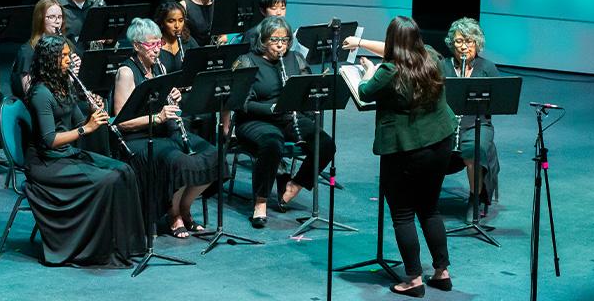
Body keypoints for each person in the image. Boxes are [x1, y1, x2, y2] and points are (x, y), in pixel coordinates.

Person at [24, 35, 145, 268]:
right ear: (50, 60)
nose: (70, 60)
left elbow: (79, 120)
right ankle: (97, 249)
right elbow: (50, 140)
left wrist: (93, 112)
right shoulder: (41, 93)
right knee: (108, 180)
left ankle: (125, 245)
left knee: (124, 170)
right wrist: (86, 128)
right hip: (46, 163)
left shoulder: (64, 84)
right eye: (65, 56)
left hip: (65, 155)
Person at [357, 16, 455, 297]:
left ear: (392, 41)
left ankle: (413, 278)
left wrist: (368, 71)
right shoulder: (432, 57)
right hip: (440, 142)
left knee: (403, 214)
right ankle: (441, 271)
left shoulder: (389, 71)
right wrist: (362, 44)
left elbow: (365, 92)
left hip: (407, 148)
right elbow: (398, 51)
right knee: (430, 208)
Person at [113, 18, 222, 238]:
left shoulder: (160, 66)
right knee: (180, 162)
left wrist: (175, 96)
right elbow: (121, 123)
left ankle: (184, 207)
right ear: (136, 45)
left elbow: (166, 102)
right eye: (150, 45)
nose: (156, 50)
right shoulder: (126, 72)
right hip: (140, 137)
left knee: (213, 155)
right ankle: (173, 214)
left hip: (165, 132)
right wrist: (157, 118)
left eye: (158, 43)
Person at [233, 16, 336, 228]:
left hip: (289, 117)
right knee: (272, 143)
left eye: (285, 39)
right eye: (274, 39)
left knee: (325, 144)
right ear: (262, 40)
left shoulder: (295, 59)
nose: (280, 44)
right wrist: (270, 108)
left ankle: (295, 185)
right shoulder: (247, 61)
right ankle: (260, 202)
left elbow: (306, 92)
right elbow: (241, 103)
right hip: (256, 119)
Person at [10, 0, 110, 156]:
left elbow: (77, 80)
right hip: (47, 106)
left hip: (67, 97)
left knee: (99, 113)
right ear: (40, 19)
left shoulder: (67, 44)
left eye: (59, 17)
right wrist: (67, 79)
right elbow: (30, 91)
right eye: (51, 17)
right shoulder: (28, 50)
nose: (57, 22)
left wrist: (78, 72)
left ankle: (101, 157)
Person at [444, 17, 501, 221]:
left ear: (477, 43)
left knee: (473, 150)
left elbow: (498, 101)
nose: (464, 46)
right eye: (459, 41)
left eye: (469, 41)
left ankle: (474, 198)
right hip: (446, 124)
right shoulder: (443, 66)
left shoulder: (487, 68)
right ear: (452, 44)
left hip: (477, 124)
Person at [153, 0, 199, 73]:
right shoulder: (154, 45)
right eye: (171, 21)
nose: (177, 26)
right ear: (162, 22)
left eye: (181, 20)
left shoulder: (188, 40)